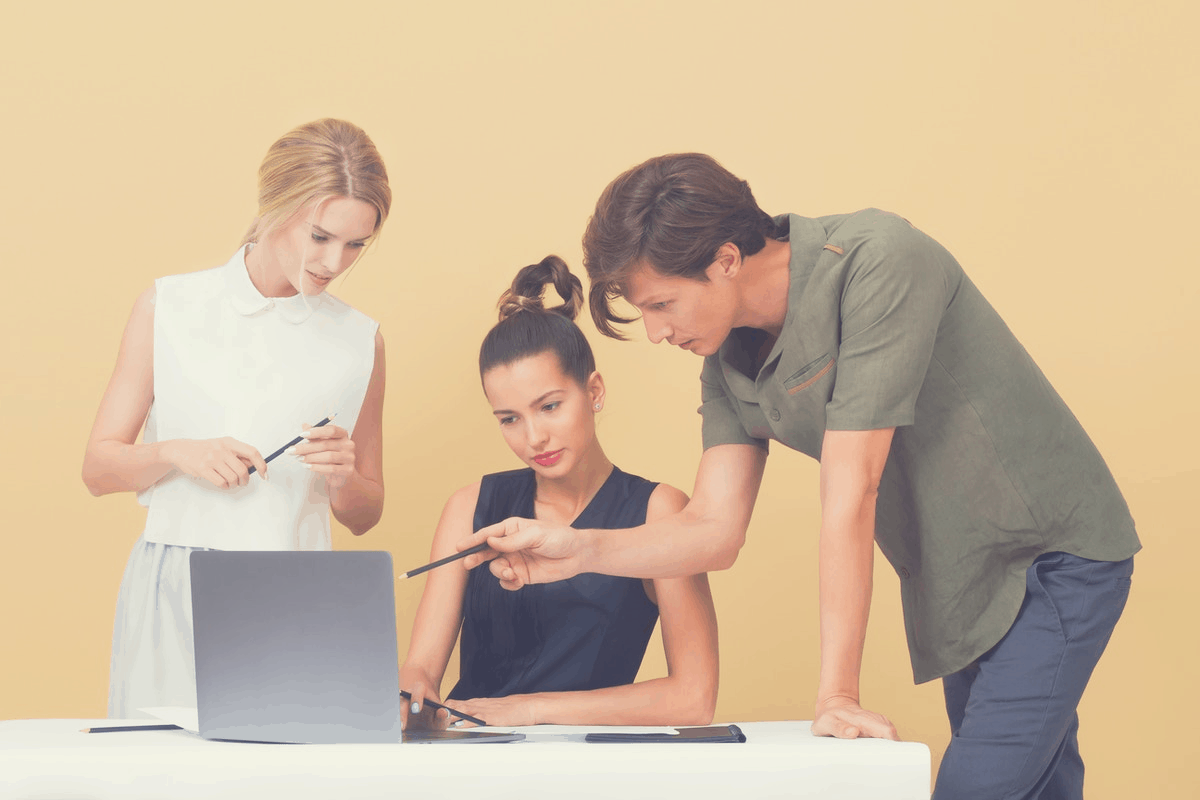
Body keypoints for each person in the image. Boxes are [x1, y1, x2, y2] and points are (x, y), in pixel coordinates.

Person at [460, 154, 1139, 798]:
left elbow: (852, 491)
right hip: (956, 585)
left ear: (726, 260)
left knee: (980, 786)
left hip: (1051, 557)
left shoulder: (879, 263)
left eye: (662, 304)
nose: (658, 333)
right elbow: (713, 530)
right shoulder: (726, 358)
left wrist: (836, 694)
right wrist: (577, 550)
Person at [82, 118, 391, 718]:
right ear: (275, 206)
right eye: (321, 236)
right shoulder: (169, 306)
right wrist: (176, 452)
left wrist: (342, 477)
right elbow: (97, 469)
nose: (335, 262)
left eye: (357, 244)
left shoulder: (362, 342)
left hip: (299, 593)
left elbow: (366, 514)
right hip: (175, 583)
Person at [399, 255, 718, 731]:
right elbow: (421, 670)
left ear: (594, 392)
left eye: (549, 406)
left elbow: (693, 699)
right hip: (469, 755)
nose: (534, 438)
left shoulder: (659, 512)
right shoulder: (469, 508)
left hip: (583, 764)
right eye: (509, 419)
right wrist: (412, 693)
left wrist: (528, 711)